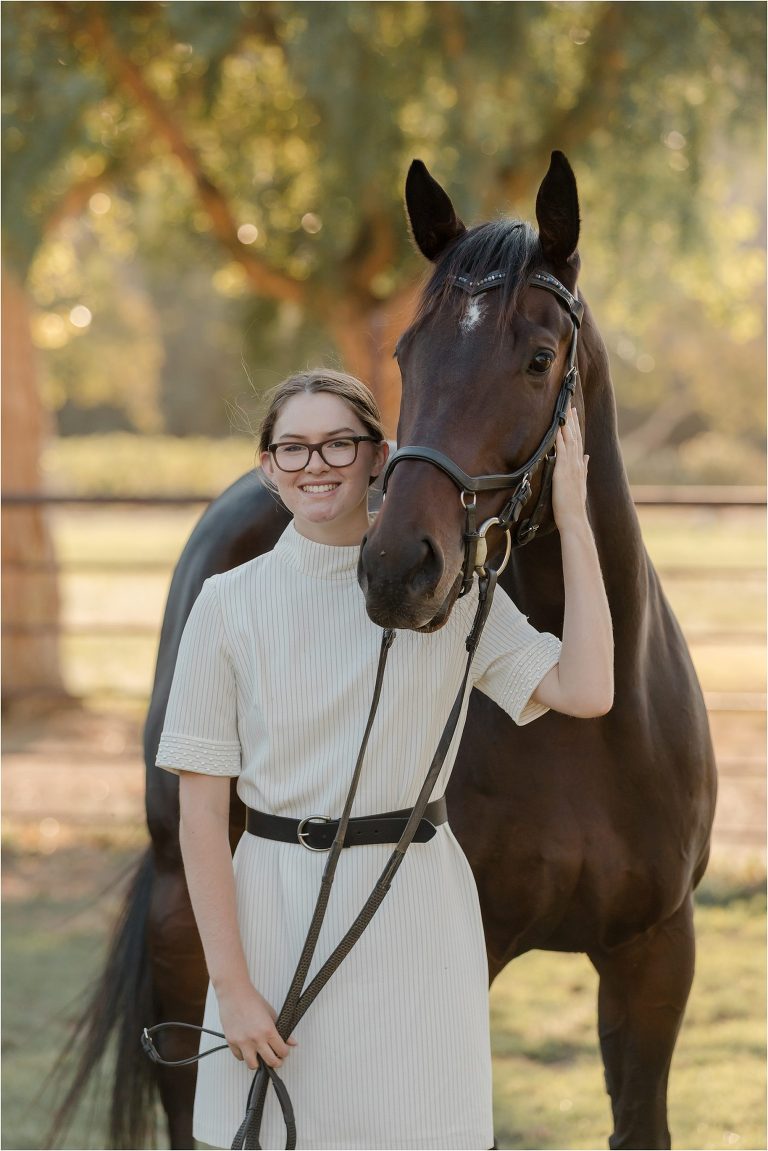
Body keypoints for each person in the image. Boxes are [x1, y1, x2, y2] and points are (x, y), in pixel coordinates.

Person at [156, 368, 613, 1151]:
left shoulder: (452, 593)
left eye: (339, 442)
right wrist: (232, 989)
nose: (315, 463)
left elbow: (587, 687)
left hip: (418, 914)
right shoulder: (228, 605)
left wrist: (574, 518)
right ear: (268, 466)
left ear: (381, 457)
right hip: (275, 907)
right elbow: (201, 817)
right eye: (292, 447)